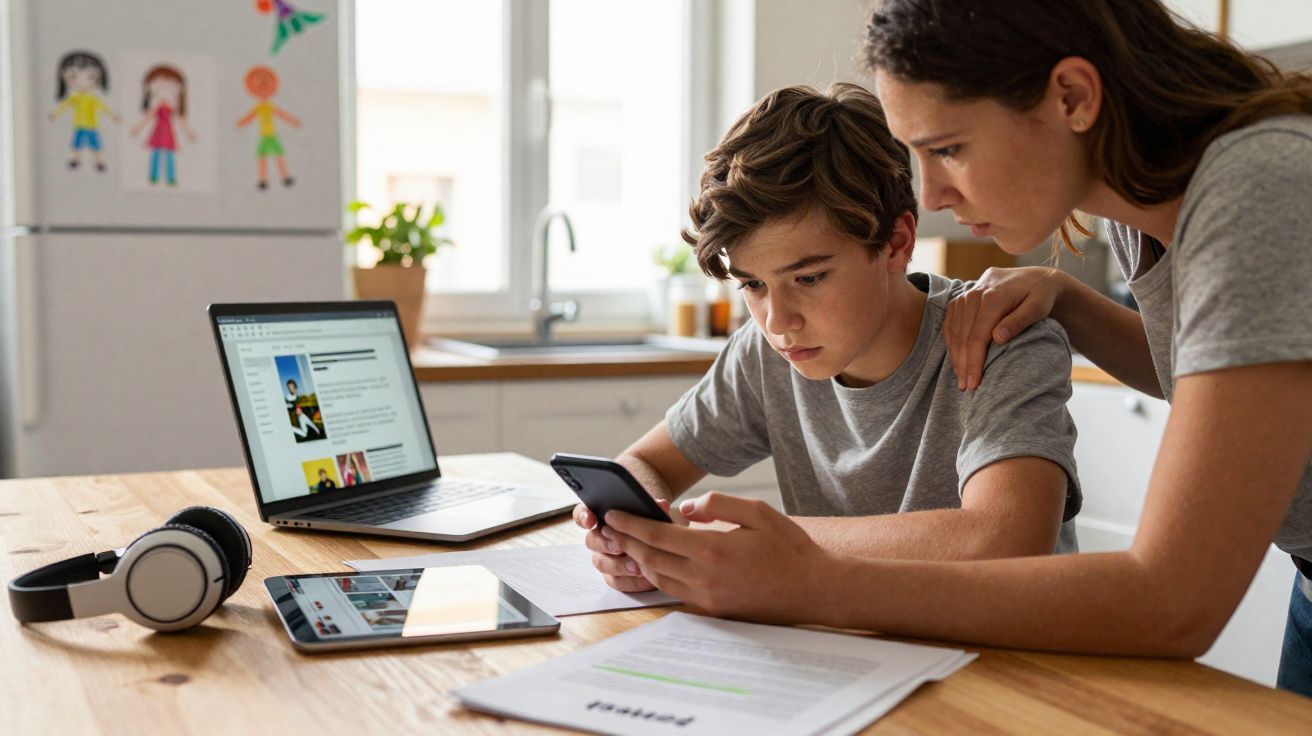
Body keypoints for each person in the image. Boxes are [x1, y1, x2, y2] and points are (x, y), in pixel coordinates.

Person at [600, 0, 1312, 698]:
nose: (932, 194)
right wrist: (1070, 301)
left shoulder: (1258, 188)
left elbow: (1170, 600)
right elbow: (1217, 376)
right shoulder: (1145, 210)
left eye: (948, 148)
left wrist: (806, 573)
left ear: (1071, 96)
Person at [575, 82, 1085, 597]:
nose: (777, 321)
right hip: (858, 645)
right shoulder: (763, 352)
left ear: (896, 243)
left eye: (810, 278)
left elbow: (1007, 542)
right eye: (752, 284)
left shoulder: (1001, 336)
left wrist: (767, 542)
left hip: (1013, 657)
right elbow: (642, 465)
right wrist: (631, 532)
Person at [48, 51, 119, 172]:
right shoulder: (75, 98)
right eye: (74, 76)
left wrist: (113, 116)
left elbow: (103, 107)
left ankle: (99, 162)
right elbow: (64, 106)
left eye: (90, 77)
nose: (82, 81)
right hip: (79, 125)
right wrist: (55, 113)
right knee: (76, 145)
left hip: (92, 126)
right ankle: (75, 160)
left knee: (95, 146)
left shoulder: (93, 99)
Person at [236, 66, 301, 189]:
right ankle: (263, 180)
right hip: (265, 136)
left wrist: (293, 121)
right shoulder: (259, 108)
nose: (262, 85)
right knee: (263, 157)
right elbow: (250, 116)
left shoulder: (270, 107)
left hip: (271, 135)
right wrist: (241, 123)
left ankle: (285, 177)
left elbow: (282, 114)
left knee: (278, 155)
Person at [130, 65, 196, 186]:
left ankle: (171, 177)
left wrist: (189, 133)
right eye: (159, 87)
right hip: (158, 132)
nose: (165, 91)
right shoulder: (157, 107)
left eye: (170, 87)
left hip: (168, 132)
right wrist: (137, 128)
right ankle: (153, 176)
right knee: (155, 154)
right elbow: (147, 118)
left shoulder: (172, 109)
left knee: (169, 156)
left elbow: (181, 121)